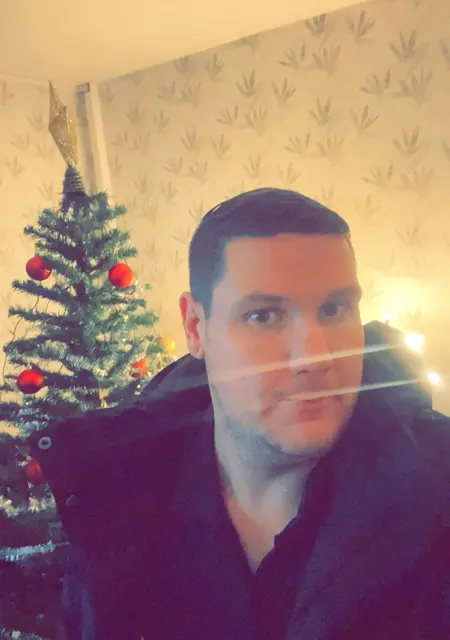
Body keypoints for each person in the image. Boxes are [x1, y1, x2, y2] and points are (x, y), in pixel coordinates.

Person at [30, 188, 450, 640]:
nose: (315, 357)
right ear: (196, 327)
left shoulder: (436, 497)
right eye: (263, 316)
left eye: (334, 309)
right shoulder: (120, 500)